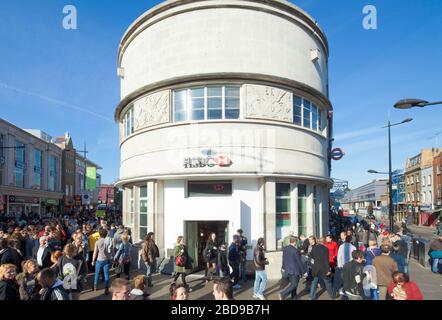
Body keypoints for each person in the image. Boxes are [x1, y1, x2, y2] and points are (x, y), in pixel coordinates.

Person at [279, 236, 307, 300]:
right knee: (294, 284)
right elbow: (299, 262)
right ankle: (282, 294)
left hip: (288, 270)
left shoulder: (285, 248)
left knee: (293, 284)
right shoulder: (295, 250)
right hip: (295, 270)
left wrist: (283, 266)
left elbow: (283, 258)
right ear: (295, 242)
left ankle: (294, 297)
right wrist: (304, 272)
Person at [92, 228, 113, 295]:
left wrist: (93, 260)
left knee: (97, 274)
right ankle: (106, 289)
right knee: (106, 275)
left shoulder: (97, 242)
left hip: (99, 260)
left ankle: (95, 287)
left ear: (99, 234)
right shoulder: (108, 241)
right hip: (106, 259)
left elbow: (95, 252)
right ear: (106, 234)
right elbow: (111, 250)